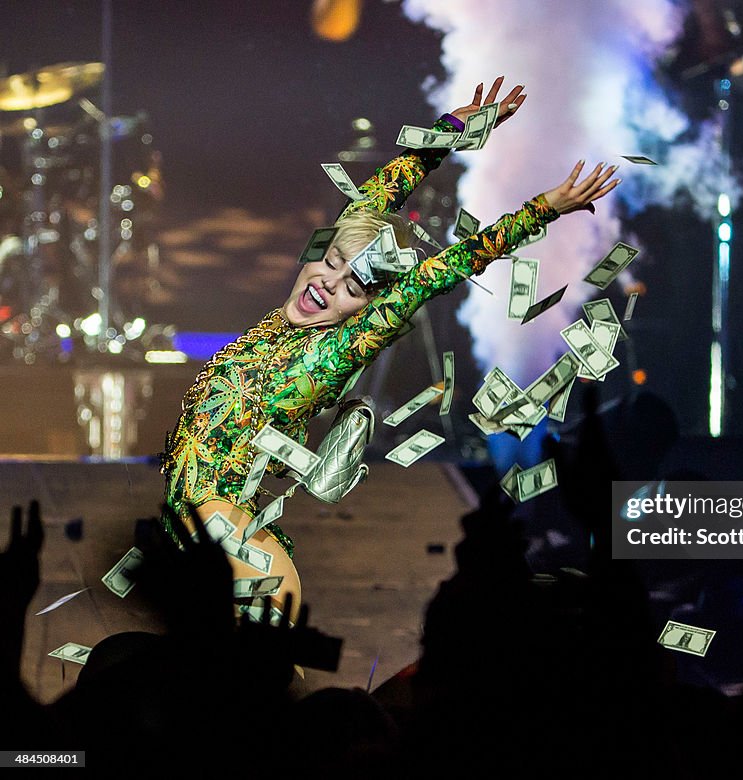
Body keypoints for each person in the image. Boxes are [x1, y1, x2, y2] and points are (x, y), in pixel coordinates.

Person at [160, 76, 620, 620]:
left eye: (353, 288)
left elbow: (443, 270)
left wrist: (544, 207)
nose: (327, 285)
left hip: (233, 549)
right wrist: (454, 128)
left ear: (365, 310)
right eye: (330, 263)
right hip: (192, 534)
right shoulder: (290, 314)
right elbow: (377, 198)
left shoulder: (340, 346)